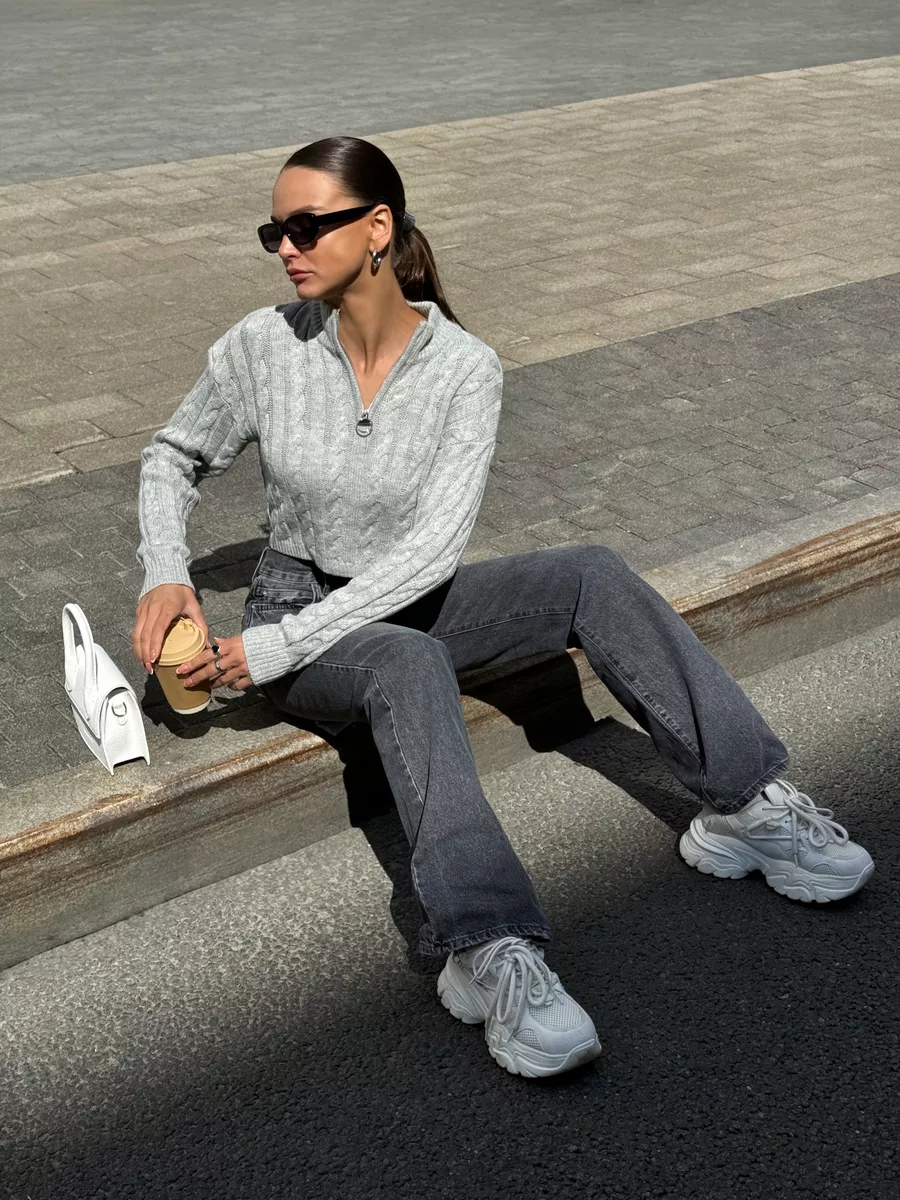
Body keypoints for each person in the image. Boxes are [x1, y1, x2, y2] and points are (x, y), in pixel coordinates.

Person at [131, 135, 875, 1080]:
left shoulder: (463, 367)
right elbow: (172, 455)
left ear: (377, 228)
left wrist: (272, 649)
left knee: (589, 571)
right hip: (306, 608)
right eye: (274, 230)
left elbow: (431, 553)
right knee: (406, 661)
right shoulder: (265, 345)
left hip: (395, 598)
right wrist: (167, 571)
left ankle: (747, 805)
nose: (286, 246)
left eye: (307, 226)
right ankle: (487, 948)